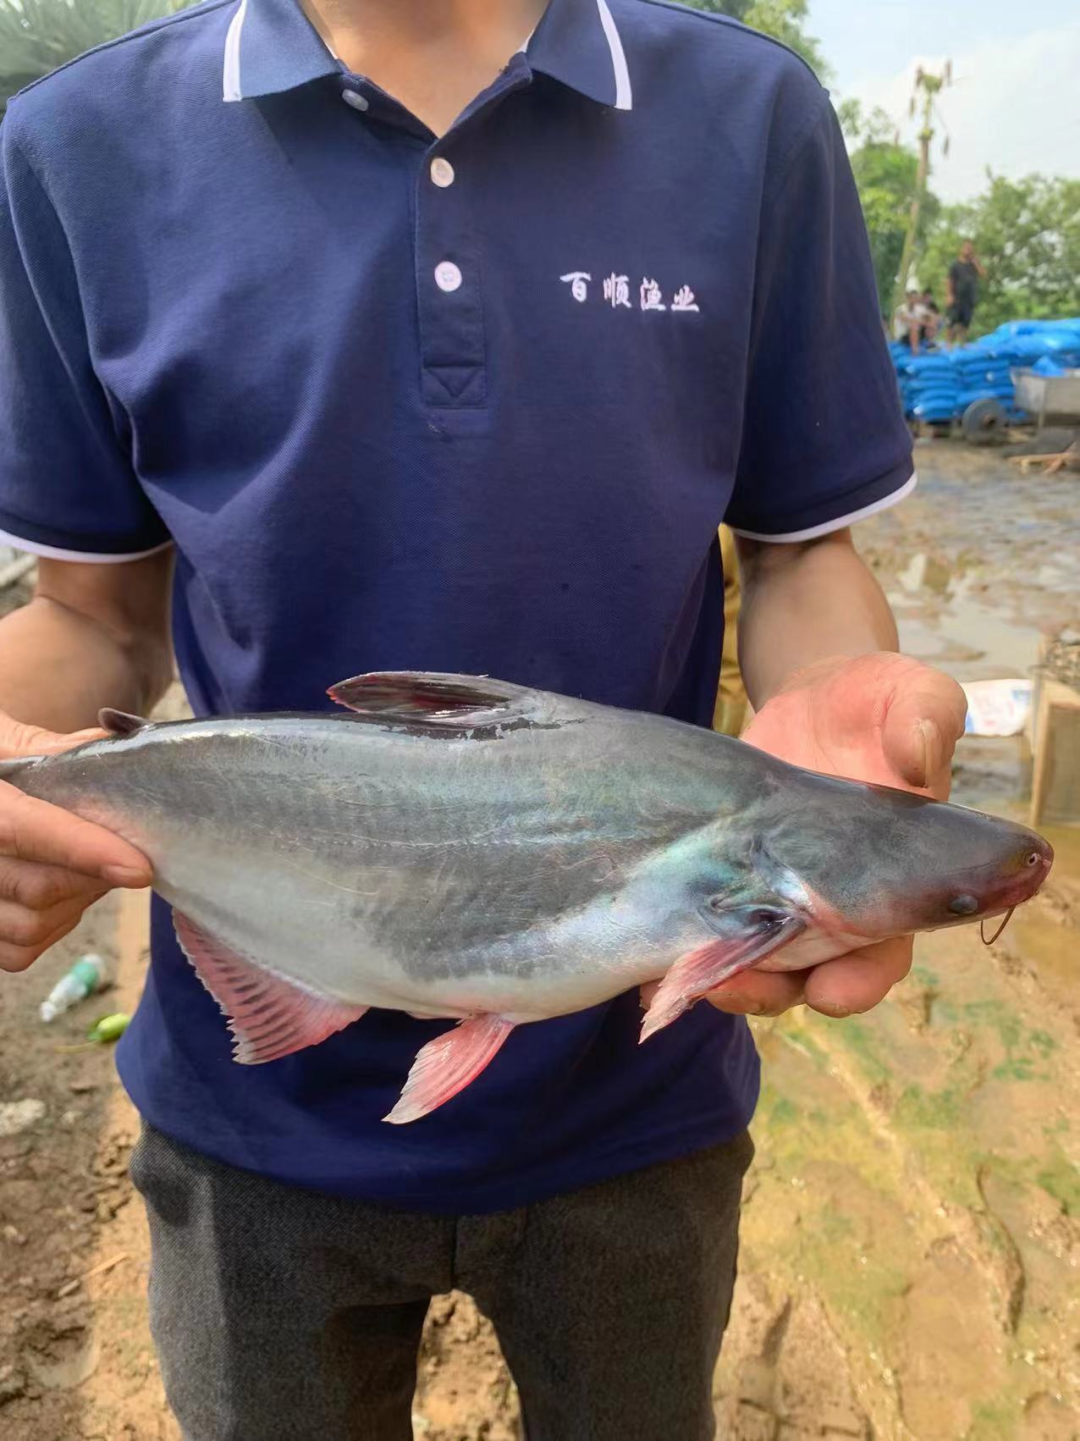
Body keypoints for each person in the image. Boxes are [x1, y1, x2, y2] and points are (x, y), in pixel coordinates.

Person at [0, 2, 967, 1436]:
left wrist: (827, 718)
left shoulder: (749, 118)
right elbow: (94, 611)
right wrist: (27, 781)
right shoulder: (78, 148)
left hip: (635, 1099)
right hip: (253, 1106)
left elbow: (798, 549)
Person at [946, 239, 985, 344]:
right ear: (961, 249)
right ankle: (948, 344)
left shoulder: (973, 265)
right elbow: (950, 280)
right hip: (957, 297)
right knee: (952, 322)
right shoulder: (955, 265)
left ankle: (962, 343)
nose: (968, 250)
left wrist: (976, 263)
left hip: (969, 298)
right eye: (966, 248)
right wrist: (949, 295)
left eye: (970, 248)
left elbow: (983, 275)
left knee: (965, 322)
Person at [893, 288, 929, 355]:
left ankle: (929, 344)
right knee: (914, 326)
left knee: (929, 325)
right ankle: (915, 350)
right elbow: (906, 319)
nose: (914, 300)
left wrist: (926, 321)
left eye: (916, 298)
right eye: (912, 298)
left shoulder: (919, 309)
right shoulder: (900, 310)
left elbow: (928, 318)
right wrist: (920, 321)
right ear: (908, 298)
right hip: (903, 337)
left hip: (916, 334)